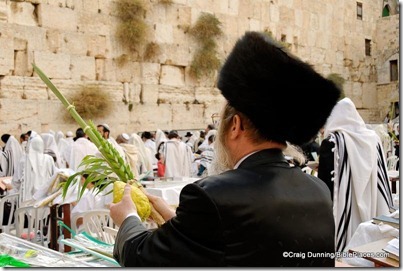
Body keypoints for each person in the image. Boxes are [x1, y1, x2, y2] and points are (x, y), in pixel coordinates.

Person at [109, 31, 341, 267]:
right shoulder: (318, 190)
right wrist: (170, 215)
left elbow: (142, 258)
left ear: (235, 126)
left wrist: (127, 217)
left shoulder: (211, 195)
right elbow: (234, 244)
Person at [317, 97, 393, 253]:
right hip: (373, 205)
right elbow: (381, 179)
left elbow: (325, 186)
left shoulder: (332, 143)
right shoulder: (374, 139)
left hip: (343, 211)